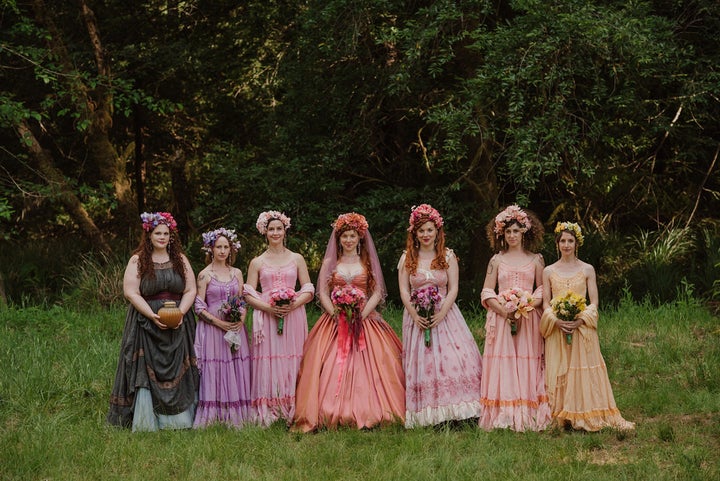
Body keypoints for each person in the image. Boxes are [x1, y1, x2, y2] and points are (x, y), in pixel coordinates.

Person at [292, 212, 405, 432]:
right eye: (344, 236)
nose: (348, 240)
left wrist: (362, 314)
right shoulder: (329, 262)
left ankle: (373, 410)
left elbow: (376, 292)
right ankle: (331, 410)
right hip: (336, 319)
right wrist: (335, 312)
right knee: (328, 364)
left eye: (352, 235)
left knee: (376, 365)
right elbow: (323, 292)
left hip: (365, 319)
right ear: (339, 239)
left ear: (359, 237)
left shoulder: (368, 262)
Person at [108, 212, 199, 431]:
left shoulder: (181, 260)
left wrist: (180, 313)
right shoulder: (138, 260)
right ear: (149, 235)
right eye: (158, 233)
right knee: (145, 369)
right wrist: (152, 315)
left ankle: (179, 419)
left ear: (171, 236)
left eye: (166, 233)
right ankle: (147, 420)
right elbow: (131, 292)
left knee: (179, 366)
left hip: (178, 321)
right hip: (146, 322)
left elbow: (190, 289)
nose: (162, 237)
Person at [540, 222, 635, 431]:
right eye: (562, 241)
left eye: (570, 241)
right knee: (560, 370)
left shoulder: (587, 269)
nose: (566, 245)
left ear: (577, 243)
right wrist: (557, 320)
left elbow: (594, 302)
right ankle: (562, 415)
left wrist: (580, 320)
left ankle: (584, 412)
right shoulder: (548, 271)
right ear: (557, 244)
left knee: (581, 369)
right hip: (558, 327)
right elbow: (546, 302)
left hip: (581, 328)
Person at [398, 204, 482, 428]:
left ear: (437, 231)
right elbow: (404, 290)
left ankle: (460, 409)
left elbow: (454, 288)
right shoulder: (408, 258)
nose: (426, 235)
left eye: (429, 230)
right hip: (417, 315)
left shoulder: (447, 256)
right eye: (421, 230)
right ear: (414, 233)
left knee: (452, 359)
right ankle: (428, 413)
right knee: (424, 362)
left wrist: (442, 312)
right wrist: (415, 314)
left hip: (445, 314)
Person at [479, 205, 551, 431]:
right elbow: (487, 291)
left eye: (516, 231)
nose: (512, 236)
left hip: (529, 319)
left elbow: (542, 290)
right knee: (506, 362)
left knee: (527, 362)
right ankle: (505, 413)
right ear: (502, 233)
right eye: (508, 231)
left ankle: (528, 411)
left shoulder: (536, 259)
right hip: (503, 318)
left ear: (524, 232)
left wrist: (527, 304)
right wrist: (504, 310)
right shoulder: (496, 260)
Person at [243, 210, 315, 426]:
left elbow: (309, 288)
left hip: (293, 316)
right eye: (271, 229)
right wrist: (269, 308)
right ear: (265, 232)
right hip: (267, 316)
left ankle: (295, 404)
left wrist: (294, 304)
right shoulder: (257, 262)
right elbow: (247, 293)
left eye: (279, 229)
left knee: (293, 358)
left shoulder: (297, 258)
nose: (275, 232)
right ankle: (271, 406)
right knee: (270, 360)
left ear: (285, 231)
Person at [193, 227, 252, 428]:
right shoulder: (204, 275)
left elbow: (242, 299)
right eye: (218, 247)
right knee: (216, 368)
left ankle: (238, 415)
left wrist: (241, 320)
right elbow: (198, 306)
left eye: (226, 247)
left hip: (236, 328)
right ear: (211, 249)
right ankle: (215, 414)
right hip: (213, 330)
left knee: (236, 367)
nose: (222, 251)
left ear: (231, 249)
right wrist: (219, 323)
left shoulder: (237, 272)